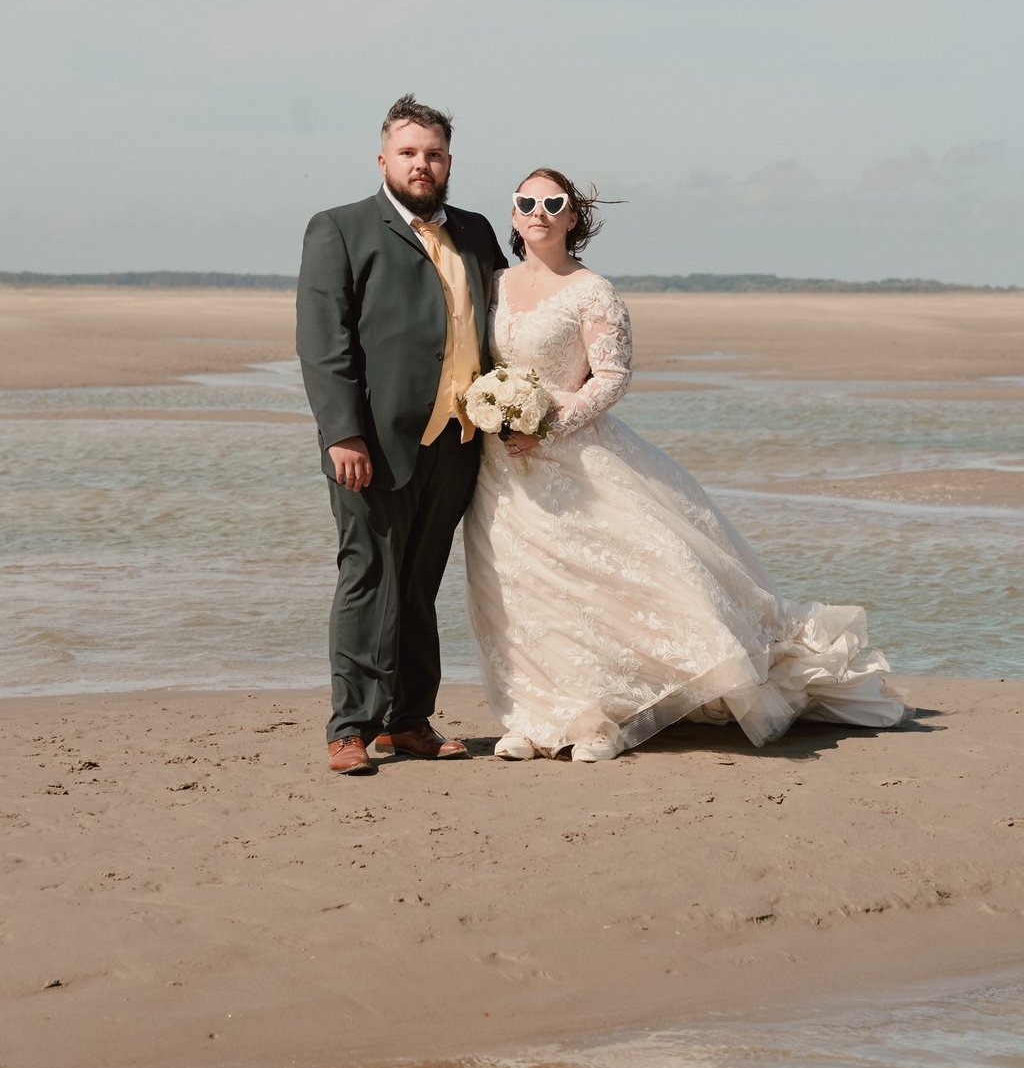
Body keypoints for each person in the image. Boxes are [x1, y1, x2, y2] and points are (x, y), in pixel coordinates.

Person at [463, 168, 906, 762]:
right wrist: (496, 414)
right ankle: (537, 716)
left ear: (573, 217)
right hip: (502, 469)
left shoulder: (593, 290)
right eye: (526, 201)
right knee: (518, 588)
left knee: (599, 585)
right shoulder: (494, 285)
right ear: (513, 216)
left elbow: (613, 377)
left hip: (573, 455)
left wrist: (548, 425)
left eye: (553, 202)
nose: (538, 210)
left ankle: (599, 722)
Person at [296, 94, 507, 775]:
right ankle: (349, 726)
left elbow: (500, 329)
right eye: (410, 153)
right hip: (372, 444)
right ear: (383, 158)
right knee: (367, 577)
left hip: (458, 442)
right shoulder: (340, 228)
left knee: (419, 584)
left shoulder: (476, 231)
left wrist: (513, 412)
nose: (422, 164)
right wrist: (342, 434)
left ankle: (408, 720)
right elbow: (323, 344)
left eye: (434, 154)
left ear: (450, 162)